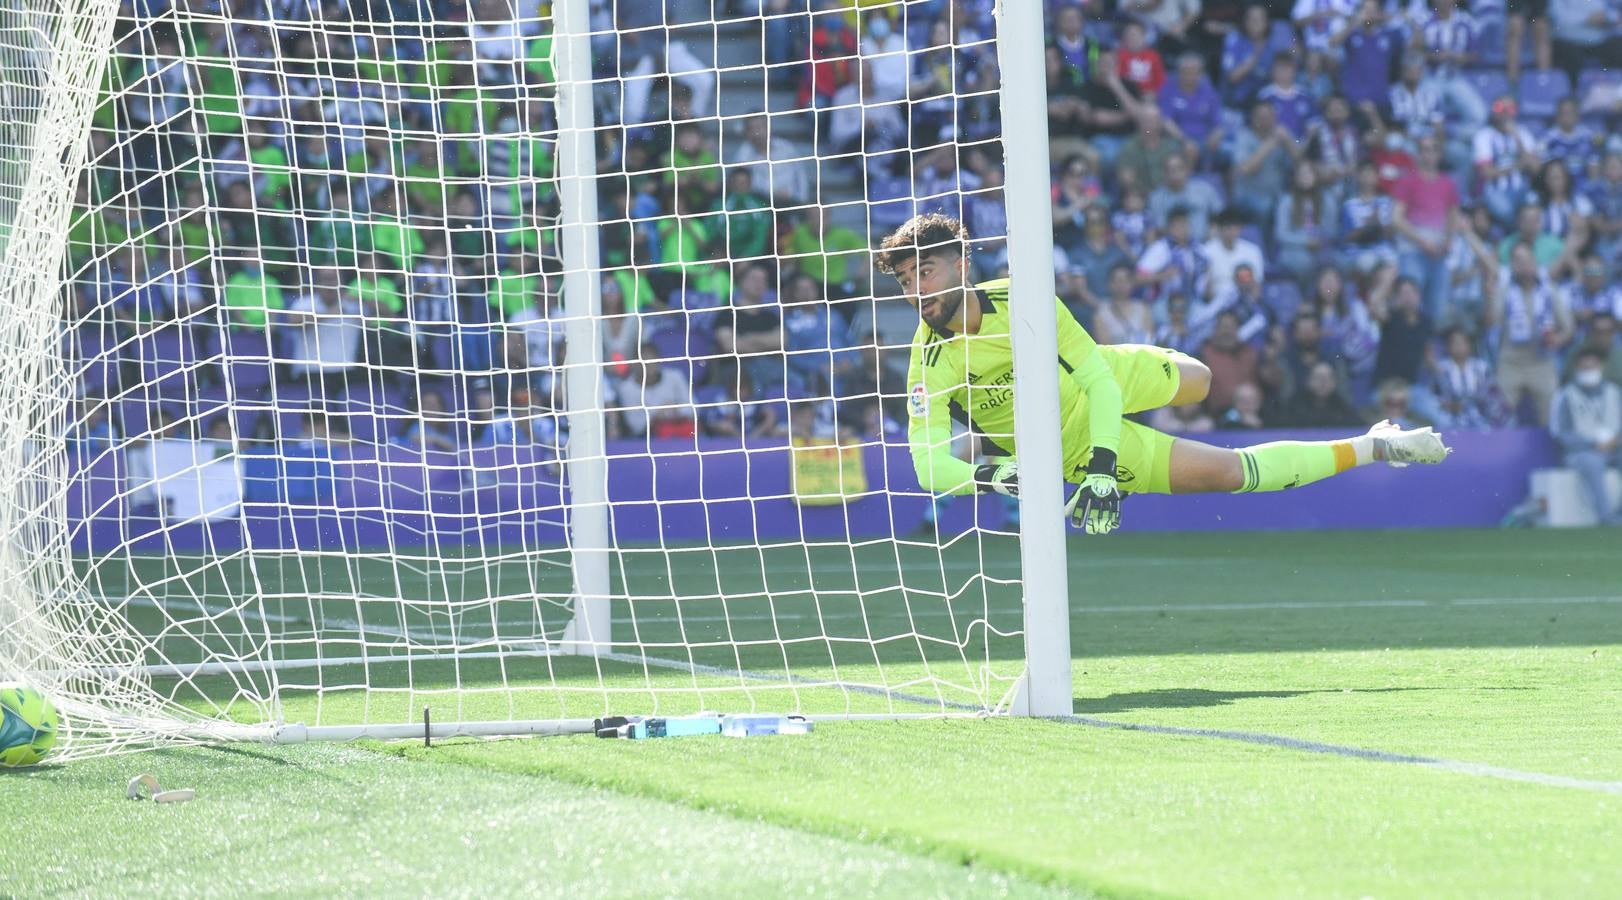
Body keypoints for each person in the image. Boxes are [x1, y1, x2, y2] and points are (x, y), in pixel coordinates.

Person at [879, 213, 1449, 536]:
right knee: (1228, 473)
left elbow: (1099, 381)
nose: (915, 292)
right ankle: (1374, 446)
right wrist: (999, 475)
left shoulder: (1025, 298)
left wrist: (1106, 470)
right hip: (1069, 445)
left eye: (923, 273)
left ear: (961, 261)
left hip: (1100, 378)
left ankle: (1114, 460)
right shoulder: (930, 360)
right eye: (905, 282)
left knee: (1201, 378)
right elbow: (926, 461)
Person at [1551, 347, 1622, 525]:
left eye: (1593, 367)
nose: (1589, 372)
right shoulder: (1565, 395)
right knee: (1592, 462)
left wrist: (1616, 440)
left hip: (1614, 446)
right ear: (1576, 368)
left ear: (1602, 367)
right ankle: (1606, 517)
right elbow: (1559, 432)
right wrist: (1591, 444)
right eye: (1585, 368)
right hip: (1580, 451)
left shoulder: (1615, 392)